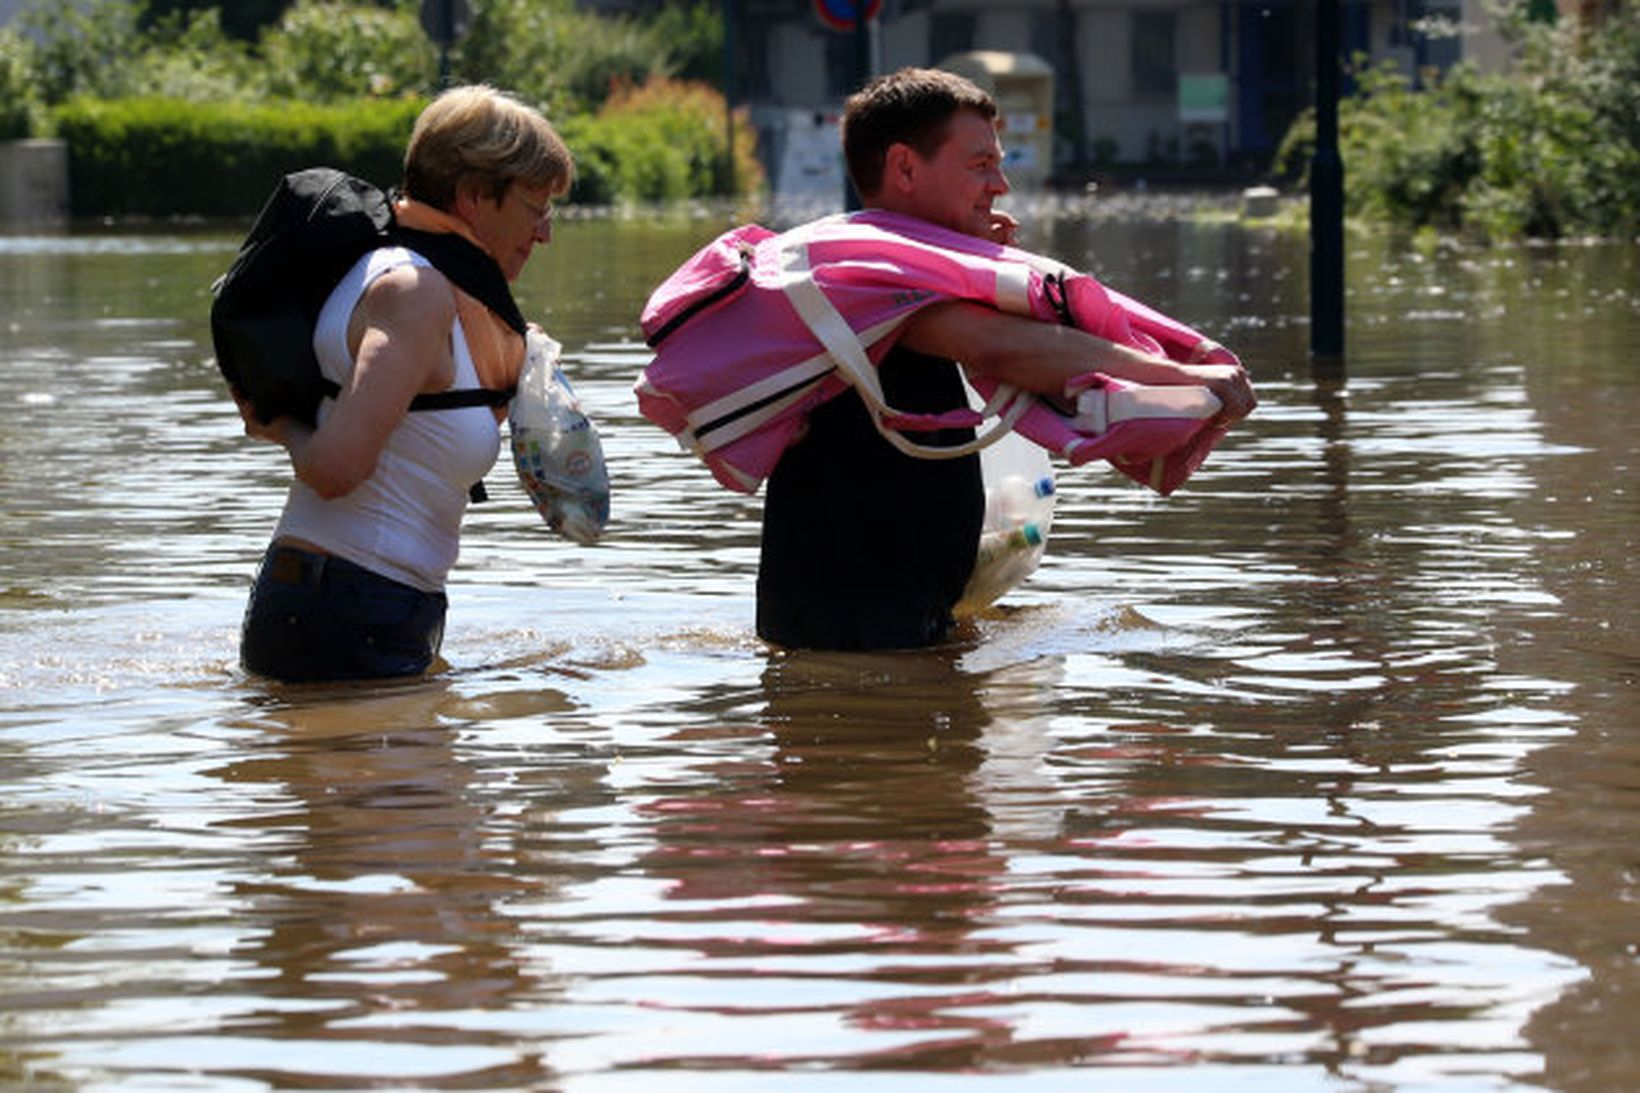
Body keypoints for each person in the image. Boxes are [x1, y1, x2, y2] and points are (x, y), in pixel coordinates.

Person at [755, 67, 1257, 652]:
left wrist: (992, 270)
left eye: (998, 162)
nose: (1000, 185)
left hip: (895, 617)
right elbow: (1009, 352)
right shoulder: (864, 278)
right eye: (979, 165)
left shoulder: (913, 268)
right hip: (854, 629)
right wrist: (1184, 376)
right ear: (905, 168)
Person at [235, 85, 573, 683]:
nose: (546, 232)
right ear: (474, 196)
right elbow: (337, 470)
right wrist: (282, 426)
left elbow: (423, 436)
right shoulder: (413, 292)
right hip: (347, 607)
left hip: (362, 604)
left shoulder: (431, 287)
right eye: (535, 207)